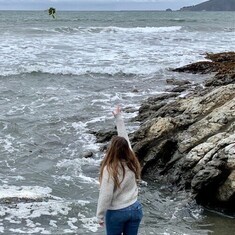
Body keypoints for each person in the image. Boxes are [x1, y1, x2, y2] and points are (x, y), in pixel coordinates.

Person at [96, 106, 143, 235]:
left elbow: (106, 195)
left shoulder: (110, 168)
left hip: (117, 212)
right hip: (135, 208)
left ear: (111, 150)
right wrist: (118, 118)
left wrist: (100, 216)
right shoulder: (132, 161)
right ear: (126, 149)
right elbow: (124, 139)